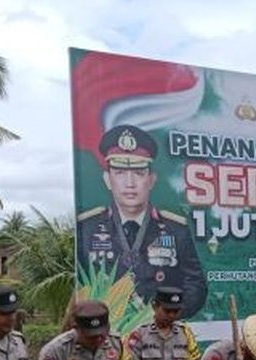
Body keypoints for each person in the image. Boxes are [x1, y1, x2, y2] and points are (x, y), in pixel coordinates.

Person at [77, 124, 207, 317]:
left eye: (139, 173)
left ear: (151, 179)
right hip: (105, 334)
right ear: (107, 179)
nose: (129, 183)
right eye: (120, 173)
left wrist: (169, 316)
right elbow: (79, 283)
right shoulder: (87, 229)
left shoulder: (175, 229)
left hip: (159, 333)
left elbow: (196, 284)